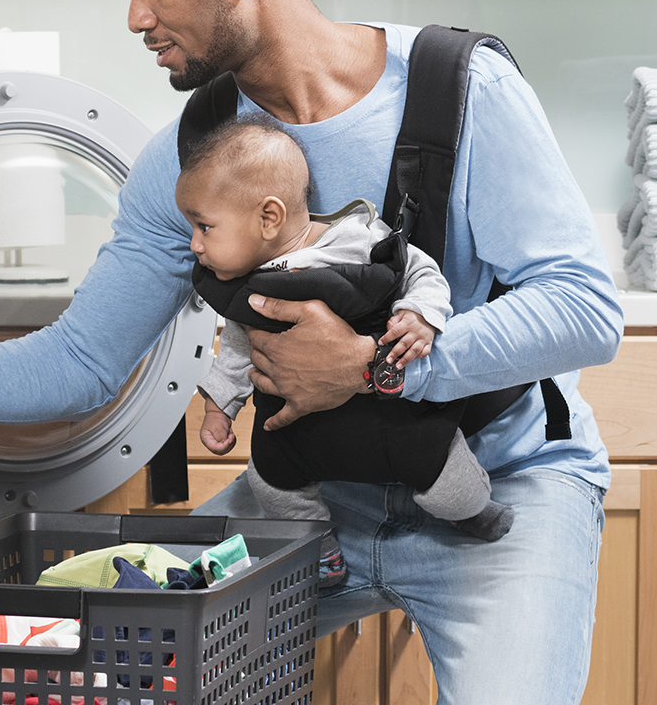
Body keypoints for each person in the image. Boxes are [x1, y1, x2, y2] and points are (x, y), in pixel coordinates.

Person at [0, 0, 623, 703]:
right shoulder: (192, 164)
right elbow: (77, 365)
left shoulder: (460, 89)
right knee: (106, 668)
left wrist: (373, 367)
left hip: (502, 488)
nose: (136, 18)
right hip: (315, 500)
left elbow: (585, 310)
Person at [177, 113, 515, 588]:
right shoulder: (244, 288)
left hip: (398, 423)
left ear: (268, 218)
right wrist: (219, 408)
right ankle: (319, 547)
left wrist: (420, 315)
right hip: (295, 436)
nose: (193, 244)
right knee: (269, 484)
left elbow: (420, 270)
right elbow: (237, 348)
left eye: (204, 227)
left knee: (448, 486)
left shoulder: (357, 241)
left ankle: (473, 510)